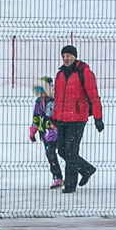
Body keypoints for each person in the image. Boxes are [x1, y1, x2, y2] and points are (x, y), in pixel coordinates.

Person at [51, 43, 102, 192]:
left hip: (77, 118)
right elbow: (57, 98)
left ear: (75, 56)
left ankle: (70, 185)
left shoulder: (84, 72)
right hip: (62, 118)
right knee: (61, 150)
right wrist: (54, 117)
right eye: (64, 56)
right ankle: (86, 169)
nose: (66, 58)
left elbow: (94, 96)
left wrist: (98, 117)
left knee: (71, 151)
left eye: (69, 56)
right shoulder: (60, 74)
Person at [31, 75, 62, 189]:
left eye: (42, 90)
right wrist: (33, 129)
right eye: (38, 90)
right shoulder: (39, 102)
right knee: (50, 155)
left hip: (55, 133)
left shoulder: (53, 102)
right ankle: (57, 177)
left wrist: (49, 124)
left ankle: (74, 172)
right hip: (45, 134)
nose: (40, 93)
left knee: (63, 152)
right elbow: (36, 115)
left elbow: (51, 116)